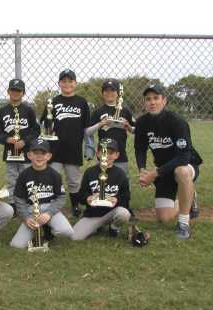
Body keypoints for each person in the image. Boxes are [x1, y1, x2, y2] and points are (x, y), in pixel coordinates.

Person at [135, 84, 202, 239]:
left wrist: (154, 174)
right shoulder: (142, 123)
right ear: (144, 103)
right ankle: (189, 197)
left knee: (181, 171)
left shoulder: (177, 122)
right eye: (148, 99)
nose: (152, 102)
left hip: (186, 165)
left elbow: (183, 157)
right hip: (164, 170)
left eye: (156, 98)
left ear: (164, 101)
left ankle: (184, 223)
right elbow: (140, 149)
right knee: (164, 217)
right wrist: (142, 170)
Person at [40, 69, 91, 218]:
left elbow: (86, 127)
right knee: (54, 177)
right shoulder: (53, 101)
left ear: (75, 83)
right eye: (64, 81)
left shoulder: (81, 102)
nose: (67, 84)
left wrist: (89, 146)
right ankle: (50, 205)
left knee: (74, 180)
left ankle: (75, 206)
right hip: (55, 148)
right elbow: (44, 123)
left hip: (74, 148)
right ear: (59, 83)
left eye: (70, 81)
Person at [10, 139, 74, 248]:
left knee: (67, 231)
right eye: (35, 153)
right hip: (31, 211)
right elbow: (19, 199)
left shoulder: (55, 175)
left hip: (49, 208)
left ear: (49, 156)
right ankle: (37, 231)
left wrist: (49, 213)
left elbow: (61, 197)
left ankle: (48, 230)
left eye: (43, 153)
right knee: (17, 245)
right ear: (29, 155)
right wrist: (26, 218)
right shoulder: (24, 175)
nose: (39, 157)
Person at [87, 79, 136, 219]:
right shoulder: (98, 112)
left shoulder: (125, 110)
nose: (109, 93)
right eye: (106, 91)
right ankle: (101, 207)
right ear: (103, 93)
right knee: (103, 181)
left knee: (123, 180)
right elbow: (87, 132)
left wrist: (128, 126)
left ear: (117, 94)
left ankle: (124, 206)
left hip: (120, 153)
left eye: (112, 90)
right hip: (103, 154)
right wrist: (99, 124)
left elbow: (135, 130)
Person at [0, 79, 40, 210]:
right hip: (10, 152)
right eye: (13, 90)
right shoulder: (2, 111)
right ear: (8, 91)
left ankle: (27, 203)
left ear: (23, 93)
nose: (15, 93)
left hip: (26, 152)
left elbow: (36, 130)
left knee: (27, 176)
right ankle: (12, 205)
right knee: (12, 180)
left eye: (18, 90)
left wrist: (25, 141)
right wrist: (7, 139)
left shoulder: (28, 111)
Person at [72, 139, 131, 240]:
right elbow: (81, 194)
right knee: (75, 237)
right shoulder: (90, 172)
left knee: (124, 213)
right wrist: (88, 198)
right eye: (103, 152)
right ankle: (97, 226)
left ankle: (114, 227)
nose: (106, 156)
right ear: (98, 154)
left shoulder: (120, 174)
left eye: (111, 153)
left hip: (113, 212)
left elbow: (126, 196)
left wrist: (116, 199)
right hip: (93, 214)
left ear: (117, 155)